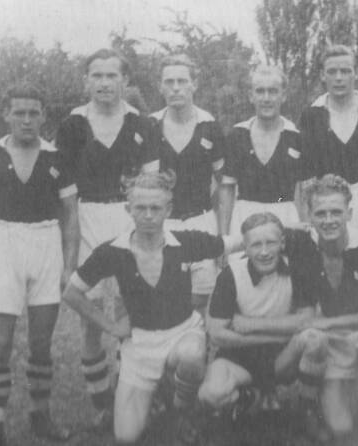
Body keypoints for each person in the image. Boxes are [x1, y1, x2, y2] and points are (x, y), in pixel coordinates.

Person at [62, 170, 239, 445]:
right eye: (140, 208)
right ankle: (160, 393)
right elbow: (72, 293)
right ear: (128, 209)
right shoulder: (113, 251)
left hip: (182, 335)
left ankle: (182, 411)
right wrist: (111, 326)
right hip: (140, 346)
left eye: (155, 208)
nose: (148, 215)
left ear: (168, 209)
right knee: (126, 436)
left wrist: (292, 231)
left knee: (192, 355)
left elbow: (236, 241)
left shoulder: (184, 242)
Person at [0, 84, 78, 445]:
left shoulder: (58, 157)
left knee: (41, 343)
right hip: (6, 243)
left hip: (46, 243)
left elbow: (71, 215)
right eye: (19, 113)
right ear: (6, 115)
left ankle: (40, 416)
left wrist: (69, 266)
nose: (27, 120)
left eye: (33, 113)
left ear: (43, 116)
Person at [55, 49, 159, 427]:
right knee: (92, 317)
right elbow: (65, 196)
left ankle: (129, 393)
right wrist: (68, 256)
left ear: (125, 81)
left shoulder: (143, 124)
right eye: (96, 75)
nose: (103, 83)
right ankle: (102, 402)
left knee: (134, 312)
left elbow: (150, 184)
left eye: (111, 75)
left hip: (130, 218)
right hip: (87, 219)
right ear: (86, 81)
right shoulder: (72, 125)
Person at [283, 174, 358, 445]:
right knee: (341, 427)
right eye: (320, 213)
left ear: (349, 213)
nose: (329, 220)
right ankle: (316, 402)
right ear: (308, 216)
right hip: (330, 346)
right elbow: (262, 232)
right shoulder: (301, 246)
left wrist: (328, 323)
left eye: (336, 212)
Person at [198, 212, 327, 440]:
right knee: (210, 394)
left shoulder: (296, 268)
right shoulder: (230, 275)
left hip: (283, 358)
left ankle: (306, 409)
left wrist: (251, 324)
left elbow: (306, 320)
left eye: (271, 243)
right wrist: (276, 335)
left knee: (315, 339)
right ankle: (249, 398)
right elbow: (217, 334)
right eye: (256, 244)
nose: (264, 252)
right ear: (245, 248)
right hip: (239, 358)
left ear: (282, 243)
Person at [150, 54, 227, 311]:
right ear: (160, 86)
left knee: (203, 298)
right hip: (162, 222)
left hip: (201, 220)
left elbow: (224, 186)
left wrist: (221, 233)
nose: (175, 88)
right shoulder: (150, 125)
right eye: (169, 82)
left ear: (194, 84)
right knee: (162, 296)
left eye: (182, 81)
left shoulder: (210, 126)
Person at [220, 65, 308, 261]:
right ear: (251, 96)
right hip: (244, 216)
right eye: (260, 91)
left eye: (273, 91)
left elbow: (303, 193)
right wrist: (224, 239)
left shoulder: (297, 138)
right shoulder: (237, 135)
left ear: (283, 95)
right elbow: (227, 190)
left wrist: (307, 233)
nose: (266, 98)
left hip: (285, 216)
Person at [298, 45, 358, 235]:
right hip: (326, 203)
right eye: (332, 72)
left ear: (356, 73)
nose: (338, 78)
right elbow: (306, 177)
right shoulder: (311, 115)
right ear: (322, 75)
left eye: (345, 71)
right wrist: (307, 219)